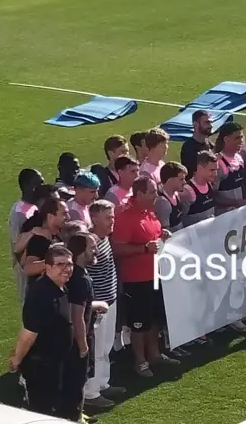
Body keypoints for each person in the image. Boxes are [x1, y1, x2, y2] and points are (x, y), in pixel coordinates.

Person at [112, 177, 178, 377]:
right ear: (139, 194)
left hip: (156, 274)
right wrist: (143, 248)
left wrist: (162, 234)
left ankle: (155, 354)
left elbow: (153, 237)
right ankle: (140, 361)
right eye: (151, 192)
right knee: (139, 323)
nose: (155, 195)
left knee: (154, 318)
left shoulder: (149, 212)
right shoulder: (125, 217)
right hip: (136, 279)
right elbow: (117, 247)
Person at [9, 245, 77, 419]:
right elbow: (28, 334)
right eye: (61, 264)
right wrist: (17, 359)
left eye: (69, 264)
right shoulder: (40, 295)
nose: (67, 269)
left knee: (54, 409)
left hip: (56, 363)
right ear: (48, 266)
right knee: (42, 412)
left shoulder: (59, 286)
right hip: (42, 366)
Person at [84, 201, 125, 408]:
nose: (112, 221)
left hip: (111, 300)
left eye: (113, 216)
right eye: (108, 217)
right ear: (95, 218)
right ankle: (91, 393)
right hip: (98, 305)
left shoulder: (105, 238)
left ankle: (102, 383)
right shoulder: (90, 243)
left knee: (106, 346)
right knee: (96, 349)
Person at [64, 232, 109, 417]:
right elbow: (77, 316)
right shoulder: (80, 279)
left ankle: (78, 413)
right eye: (92, 248)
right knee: (76, 381)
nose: (96, 251)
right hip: (76, 340)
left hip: (71, 336)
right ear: (81, 252)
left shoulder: (75, 273)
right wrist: (83, 346)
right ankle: (74, 416)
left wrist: (94, 305)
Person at [10, 169, 43, 302]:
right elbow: (16, 245)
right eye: (39, 184)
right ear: (30, 186)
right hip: (24, 266)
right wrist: (25, 267)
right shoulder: (19, 214)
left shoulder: (32, 207)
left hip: (33, 261)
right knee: (28, 303)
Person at [214, 122, 246, 215]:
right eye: (237, 138)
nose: (241, 141)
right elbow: (212, 196)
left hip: (239, 213)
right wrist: (236, 202)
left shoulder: (239, 158)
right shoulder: (218, 164)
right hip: (224, 216)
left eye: (242, 137)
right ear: (226, 139)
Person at [22, 198, 67, 283]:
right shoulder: (39, 239)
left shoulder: (57, 236)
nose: (68, 217)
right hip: (44, 292)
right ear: (50, 216)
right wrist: (55, 260)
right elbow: (28, 268)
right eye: (64, 214)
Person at [180, 151, 218, 227]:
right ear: (200, 168)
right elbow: (181, 220)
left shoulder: (209, 184)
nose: (215, 174)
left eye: (216, 170)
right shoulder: (188, 191)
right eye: (212, 170)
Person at [180, 110, 214, 177]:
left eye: (210, 122)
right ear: (195, 124)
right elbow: (193, 173)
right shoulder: (188, 148)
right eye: (207, 122)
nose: (210, 126)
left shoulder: (210, 144)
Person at [156, 162, 188, 232]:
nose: (185, 182)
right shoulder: (163, 203)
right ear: (170, 180)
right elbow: (166, 232)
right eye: (181, 179)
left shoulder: (176, 194)